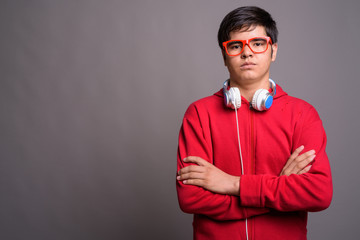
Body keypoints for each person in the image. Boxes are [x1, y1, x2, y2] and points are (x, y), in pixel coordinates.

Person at [176, 6, 332, 240]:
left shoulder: (302, 114)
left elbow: (318, 193)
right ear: (224, 55)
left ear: (273, 50)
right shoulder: (199, 114)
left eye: (258, 43)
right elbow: (191, 197)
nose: (247, 53)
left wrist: (233, 184)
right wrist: (278, 191)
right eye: (236, 46)